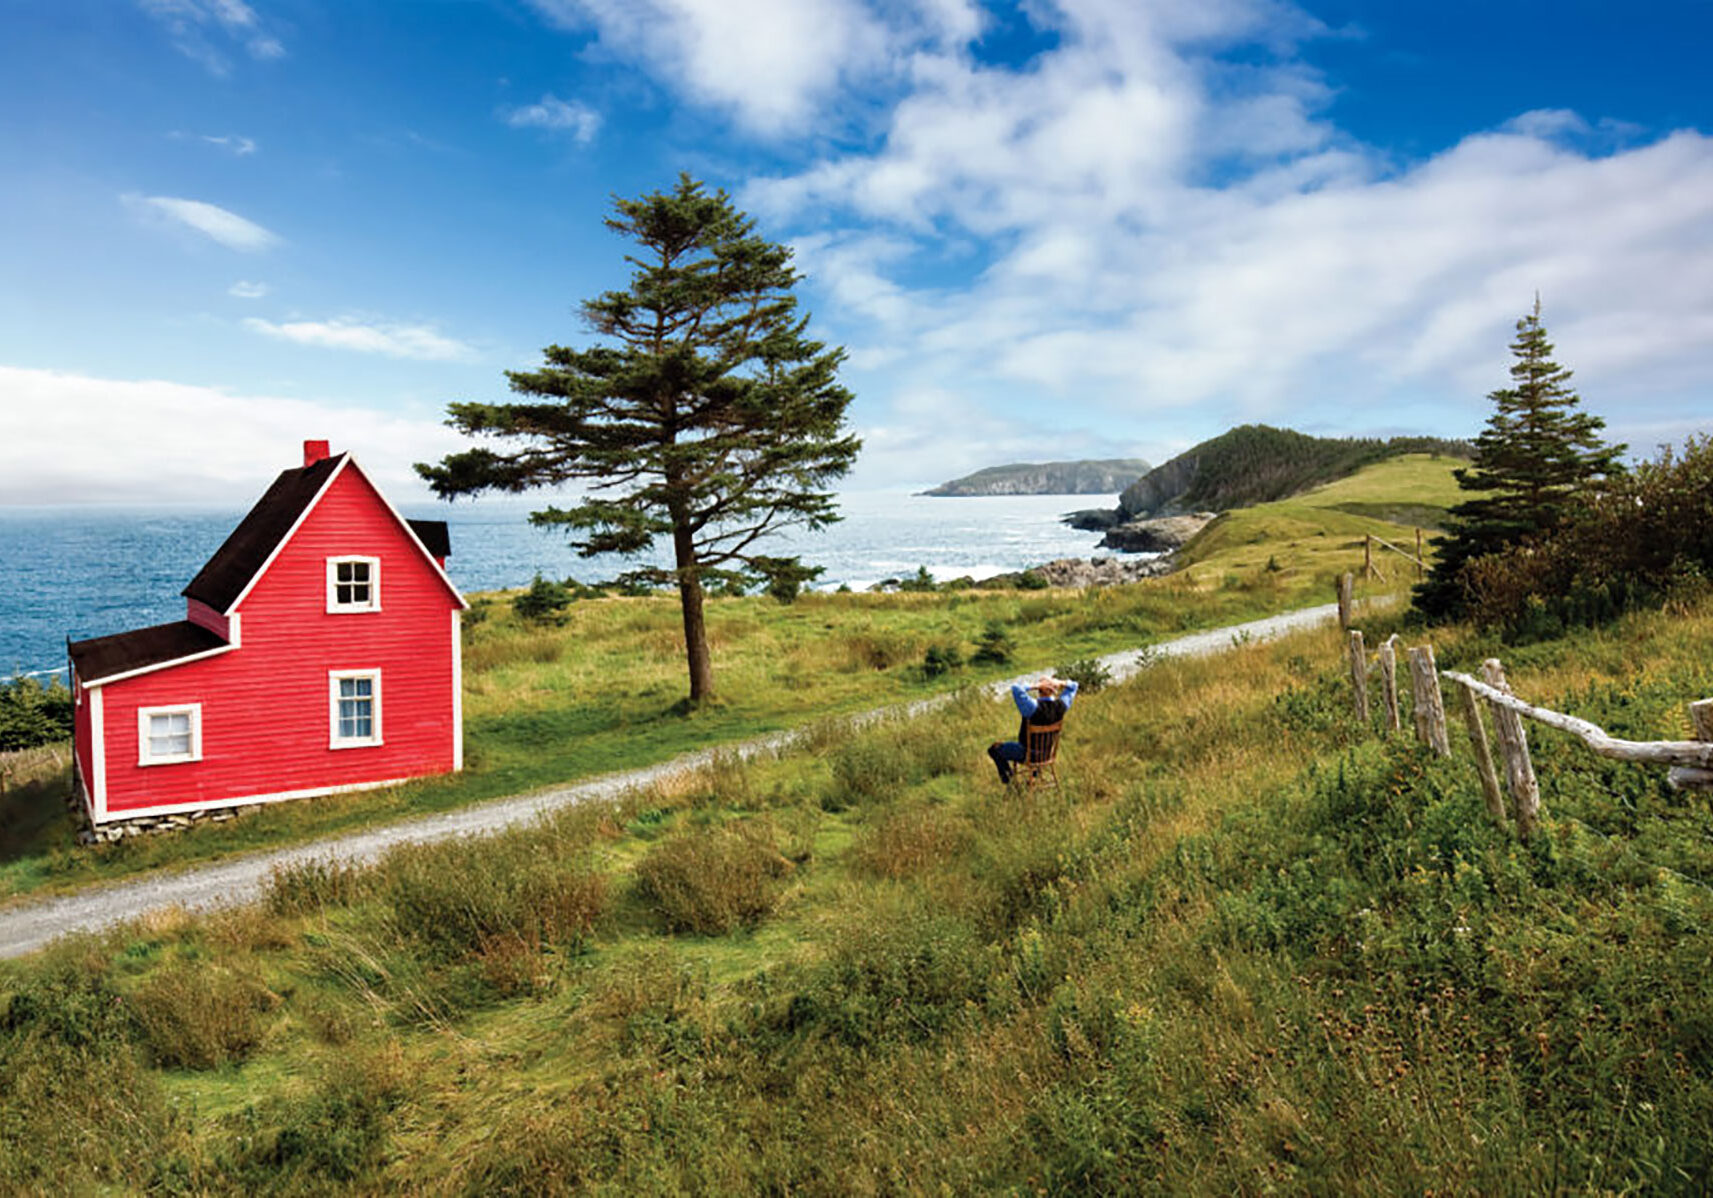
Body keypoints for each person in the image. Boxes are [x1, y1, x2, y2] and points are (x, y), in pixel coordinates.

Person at [987, 675, 1078, 784]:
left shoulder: (1032, 707)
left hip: (1027, 754)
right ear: (1054, 689)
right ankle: (1034, 776)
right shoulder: (1062, 705)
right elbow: (1074, 686)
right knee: (1037, 745)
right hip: (1047, 754)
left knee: (994, 749)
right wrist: (1060, 682)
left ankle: (1010, 782)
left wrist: (1035, 685)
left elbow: (1016, 688)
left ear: (1039, 690)